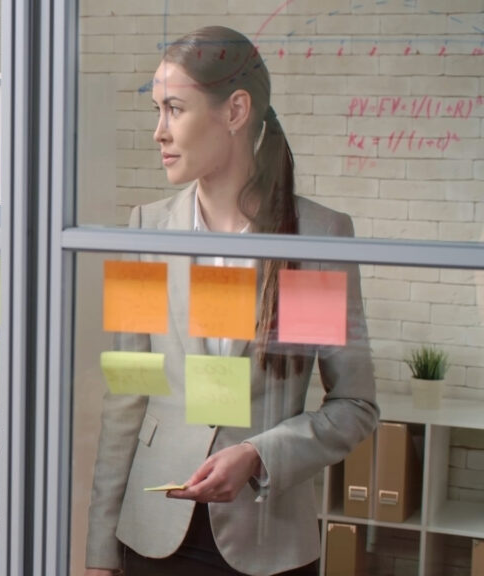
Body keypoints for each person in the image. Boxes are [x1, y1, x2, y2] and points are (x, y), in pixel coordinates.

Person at [85, 26, 379, 576]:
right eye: (157, 109)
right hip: (151, 534)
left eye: (174, 108)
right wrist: (100, 549)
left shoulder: (314, 238)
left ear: (235, 110)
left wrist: (259, 454)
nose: (158, 131)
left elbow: (354, 407)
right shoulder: (146, 230)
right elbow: (127, 394)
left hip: (267, 540)